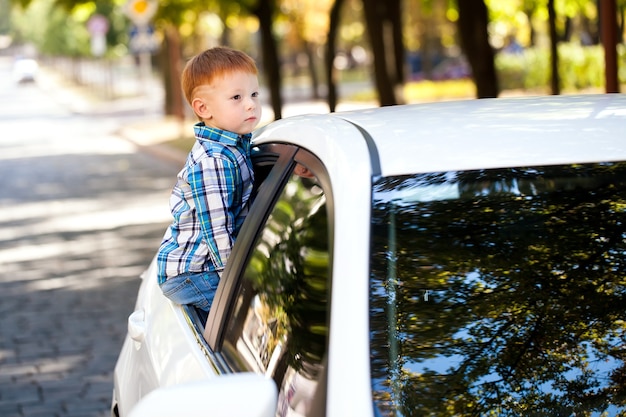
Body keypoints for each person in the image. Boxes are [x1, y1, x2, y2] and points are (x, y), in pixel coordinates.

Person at [156, 46, 261, 314]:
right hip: (194, 273)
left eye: (254, 94)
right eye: (236, 97)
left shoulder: (236, 147)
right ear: (203, 108)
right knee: (249, 314)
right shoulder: (213, 161)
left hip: (204, 266)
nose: (250, 103)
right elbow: (218, 233)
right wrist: (237, 282)